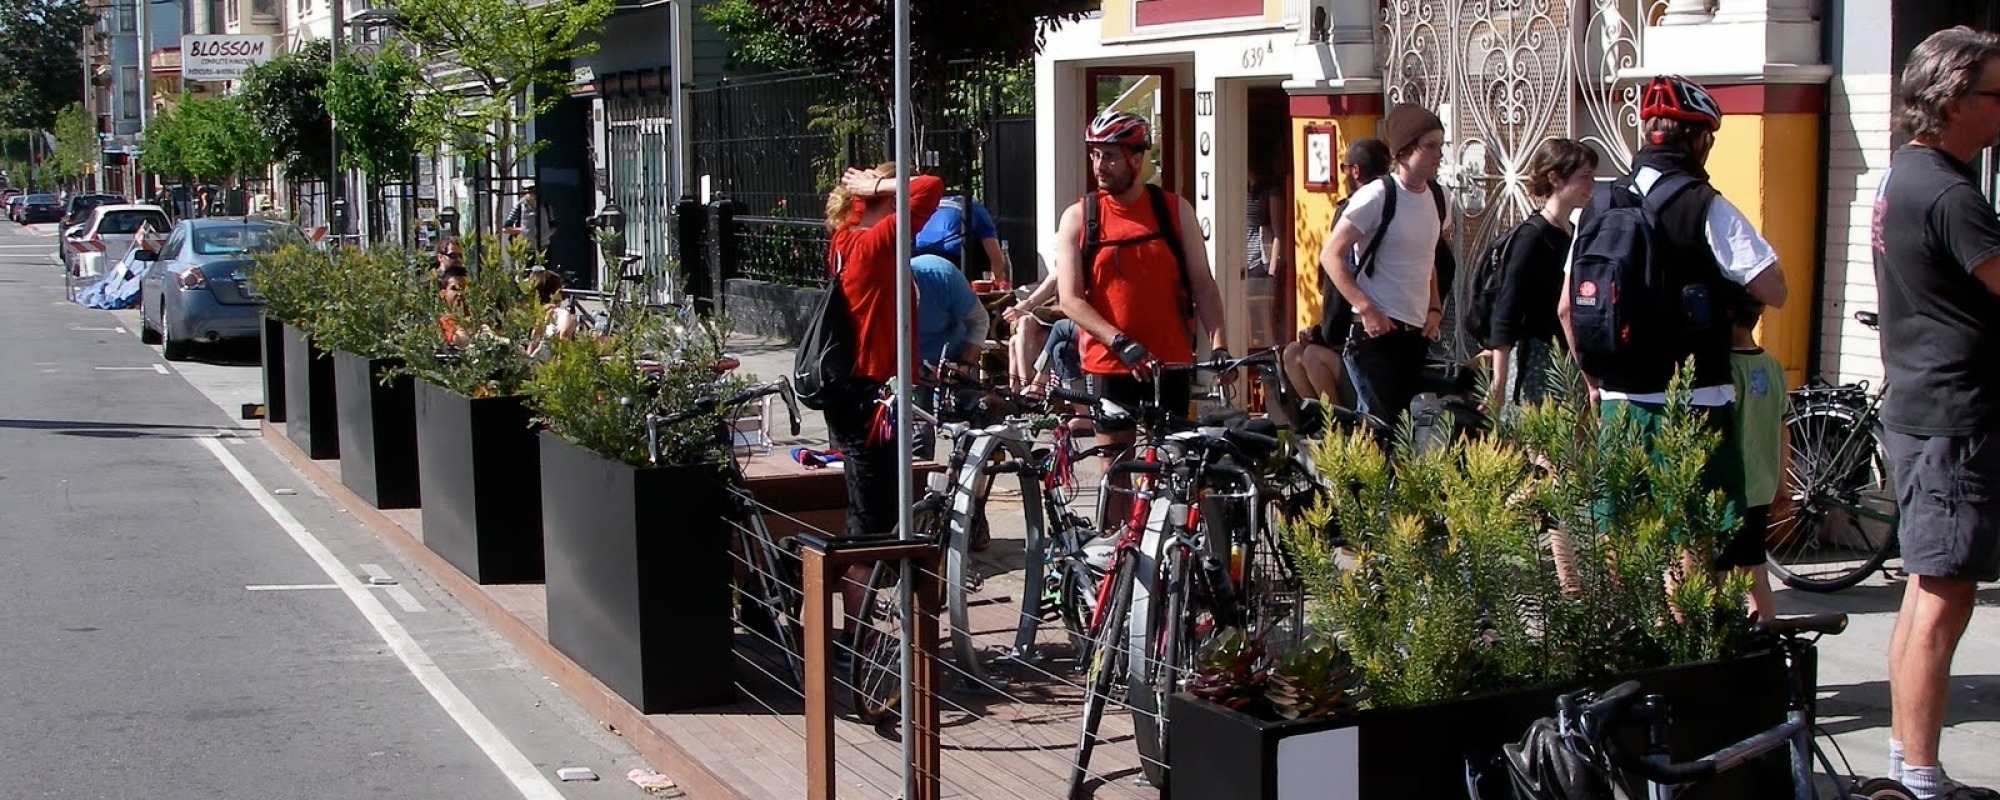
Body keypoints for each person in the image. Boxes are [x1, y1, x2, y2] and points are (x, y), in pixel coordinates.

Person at [1872, 27, 2000, 800]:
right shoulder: (1951, 194)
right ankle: (1918, 778)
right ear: (1953, 100)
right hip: (1954, 416)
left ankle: (1906, 765)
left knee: (1926, 588)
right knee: (1942, 594)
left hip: (1925, 406)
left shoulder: (1904, 176)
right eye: (1995, 93)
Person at [1053, 109, 1229, 438]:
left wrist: (1219, 346)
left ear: (1136, 159)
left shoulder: (1175, 210)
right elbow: (1070, 300)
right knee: (1115, 464)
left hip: (1170, 362)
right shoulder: (1080, 217)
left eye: (1110, 157)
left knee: (1172, 464)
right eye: (1095, 155)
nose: (1099, 166)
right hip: (1109, 362)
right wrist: (1120, 342)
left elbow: (1203, 285)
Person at [824, 161, 944, 539]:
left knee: (884, 511)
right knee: (871, 524)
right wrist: (880, 183)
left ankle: (890, 587)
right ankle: (860, 591)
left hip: (860, 391)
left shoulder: (844, 239)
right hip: (872, 397)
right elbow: (931, 187)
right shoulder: (873, 242)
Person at [1319, 106, 1450, 421]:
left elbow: (1428, 256)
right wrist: (1366, 308)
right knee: (1382, 428)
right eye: (1429, 146)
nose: (1438, 155)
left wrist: (1434, 307)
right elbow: (1330, 255)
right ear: (1403, 152)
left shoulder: (1439, 196)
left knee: (1407, 429)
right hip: (1376, 334)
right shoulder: (1376, 196)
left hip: (1415, 333)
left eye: (1440, 146)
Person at [1480, 138, 1598, 415]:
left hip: (1564, 357)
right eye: (1584, 177)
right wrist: (1498, 381)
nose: (1591, 185)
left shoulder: (1571, 231)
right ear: (1555, 178)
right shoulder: (1532, 237)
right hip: (1536, 360)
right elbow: (1506, 310)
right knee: (1544, 449)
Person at [1283, 138, 1390, 404]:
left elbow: (1338, 283)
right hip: (1369, 329)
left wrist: (1326, 334)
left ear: (1354, 171)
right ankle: (1320, 426)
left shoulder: (1355, 209)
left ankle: (1338, 430)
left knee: (1308, 356)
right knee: (1293, 354)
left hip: (1362, 335)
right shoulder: (1403, 205)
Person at [1721, 297, 1781, 622]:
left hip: (1732, 488)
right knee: (1756, 572)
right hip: (1762, 484)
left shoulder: (1724, 370)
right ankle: (1769, 639)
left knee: (1717, 574)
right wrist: (1782, 483)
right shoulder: (1772, 366)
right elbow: (1781, 428)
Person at [914, 194, 1006, 277]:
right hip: (954, 267)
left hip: (917, 263)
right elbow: (996, 260)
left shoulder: (923, 203)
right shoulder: (975, 207)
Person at [504, 181, 554, 262]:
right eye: (525, 189)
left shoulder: (545, 205)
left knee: (545, 273)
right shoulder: (519, 206)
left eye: (531, 188)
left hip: (544, 249)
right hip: (526, 250)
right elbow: (505, 228)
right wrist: (523, 230)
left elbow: (553, 225)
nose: (528, 191)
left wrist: (546, 233)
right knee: (527, 273)